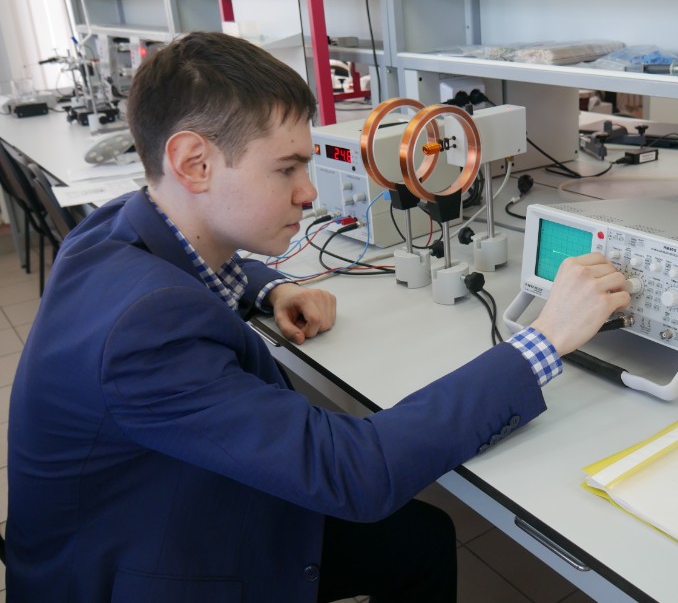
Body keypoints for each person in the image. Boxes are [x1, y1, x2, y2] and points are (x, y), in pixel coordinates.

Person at [5, 31, 629, 602]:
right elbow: (355, 471)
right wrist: (546, 339)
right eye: (287, 169)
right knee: (410, 532)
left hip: (142, 507)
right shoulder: (145, 331)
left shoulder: (115, 226)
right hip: (137, 571)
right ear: (194, 163)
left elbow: (194, 267)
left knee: (422, 538)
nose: (309, 193)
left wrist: (271, 289)